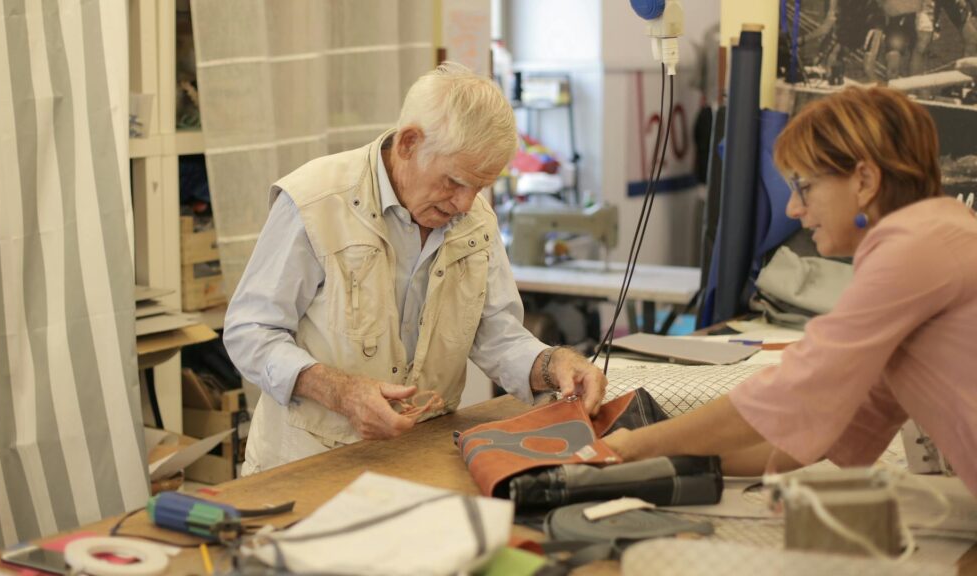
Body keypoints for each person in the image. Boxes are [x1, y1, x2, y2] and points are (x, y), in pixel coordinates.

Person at [224, 62, 607, 475]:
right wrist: (340, 392)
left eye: (479, 187)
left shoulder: (474, 218)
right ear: (408, 143)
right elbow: (250, 331)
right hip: (306, 464)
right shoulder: (317, 202)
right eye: (454, 182)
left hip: (421, 455)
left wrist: (553, 365)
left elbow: (497, 335)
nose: (464, 203)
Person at [604, 87, 977, 497]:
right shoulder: (934, 239)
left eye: (803, 187)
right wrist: (650, 459)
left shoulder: (914, 247)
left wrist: (640, 443)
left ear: (865, 180)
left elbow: (796, 389)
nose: (792, 210)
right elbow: (821, 438)